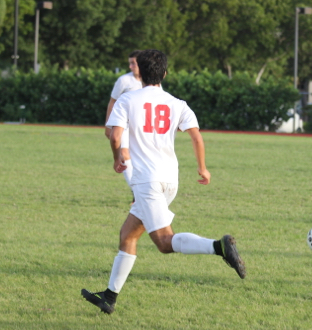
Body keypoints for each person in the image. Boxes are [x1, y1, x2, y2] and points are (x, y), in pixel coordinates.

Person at [82, 49, 246, 314]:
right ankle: (109, 298)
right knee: (128, 235)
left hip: (147, 181)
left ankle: (219, 247)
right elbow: (196, 137)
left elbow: (114, 137)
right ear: (165, 74)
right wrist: (203, 169)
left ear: (140, 73)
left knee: (164, 243)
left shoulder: (128, 100)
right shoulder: (177, 103)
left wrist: (116, 159)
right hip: (170, 180)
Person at [105, 50, 143, 191]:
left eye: (134, 63)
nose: (131, 66)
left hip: (141, 125)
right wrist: (108, 124)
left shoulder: (150, 81)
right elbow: (112, 101)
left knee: (140, 157)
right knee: (124, 153)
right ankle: (137, 191)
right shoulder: (124, 80)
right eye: (130, 63)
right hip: (124, 123)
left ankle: (141, 190)